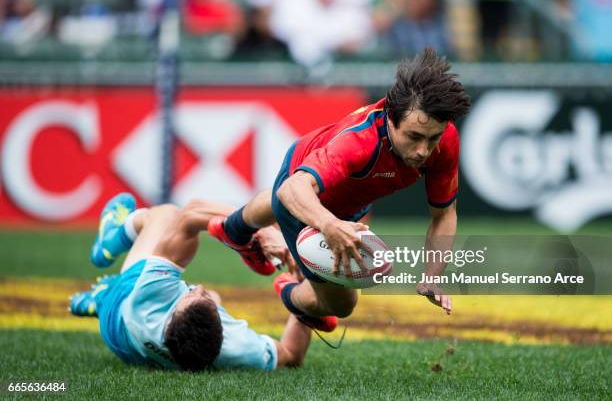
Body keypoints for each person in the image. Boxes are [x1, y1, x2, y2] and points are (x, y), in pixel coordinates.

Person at [208, 48, 471, 328]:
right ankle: (290, 292)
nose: (423, 151)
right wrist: (329, 225)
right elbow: (290, 191)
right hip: (303, 192)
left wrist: (432, 276)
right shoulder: (360, 142)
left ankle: (235, 230)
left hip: (351, 202)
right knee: (342, 307)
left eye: (432, 139)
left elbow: (444, 214)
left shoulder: (445, 142)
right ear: (390, 118)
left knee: (284, 203)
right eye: (414, 137)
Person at [69, 193, 311, 371]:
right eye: (207, 302)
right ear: (222, 334)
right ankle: (96, 300)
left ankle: (108, 245)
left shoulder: (151, 295)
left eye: (192, 293)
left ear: (170, 315)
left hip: (122, 309)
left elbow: (190, 214)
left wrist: (256, 229)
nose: (200, 287)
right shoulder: (236, 348)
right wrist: (308, 287)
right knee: (214, 294)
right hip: (128, 348)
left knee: (166, 214)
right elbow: (292, 354)